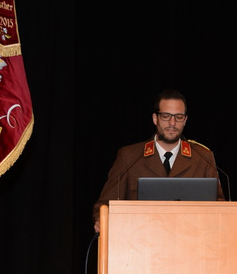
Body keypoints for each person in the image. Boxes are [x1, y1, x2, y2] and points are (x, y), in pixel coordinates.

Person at [93, 89, 224, 232]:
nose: (172, 123)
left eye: (178, 117)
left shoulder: (203, 157)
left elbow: (220, 205)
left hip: (191, 239)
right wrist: (101, 219)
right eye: (166, 116)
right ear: (155, 118)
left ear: (185, 120)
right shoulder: (129, 157)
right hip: (140, 239)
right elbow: (105, 204)